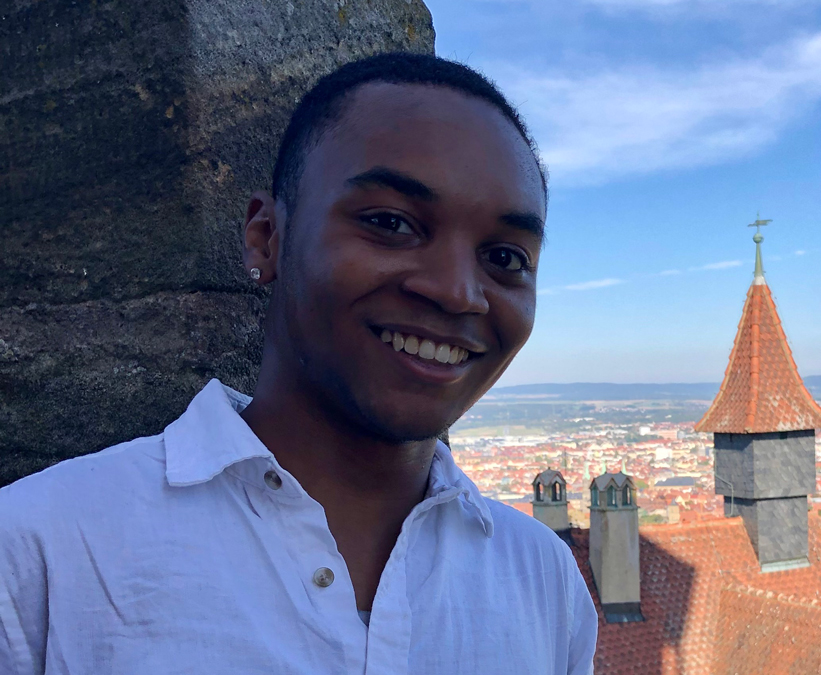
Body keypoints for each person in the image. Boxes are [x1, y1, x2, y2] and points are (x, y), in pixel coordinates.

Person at [0, 53, 597, 675]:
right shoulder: (41, 559)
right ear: (266, 237)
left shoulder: (544, 582)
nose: (457, 292)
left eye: (505, 258)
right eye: (391, 223)